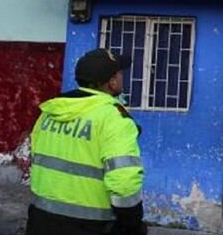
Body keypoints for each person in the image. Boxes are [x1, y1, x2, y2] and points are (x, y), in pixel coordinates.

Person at [25, 48, 146, 235]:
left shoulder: (50, 112)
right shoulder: (113, 118)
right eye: (119, 73)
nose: (122, 77)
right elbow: (124, 182)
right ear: (112, 82)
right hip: (90, 225)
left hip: (40, 219)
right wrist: (132, 224)